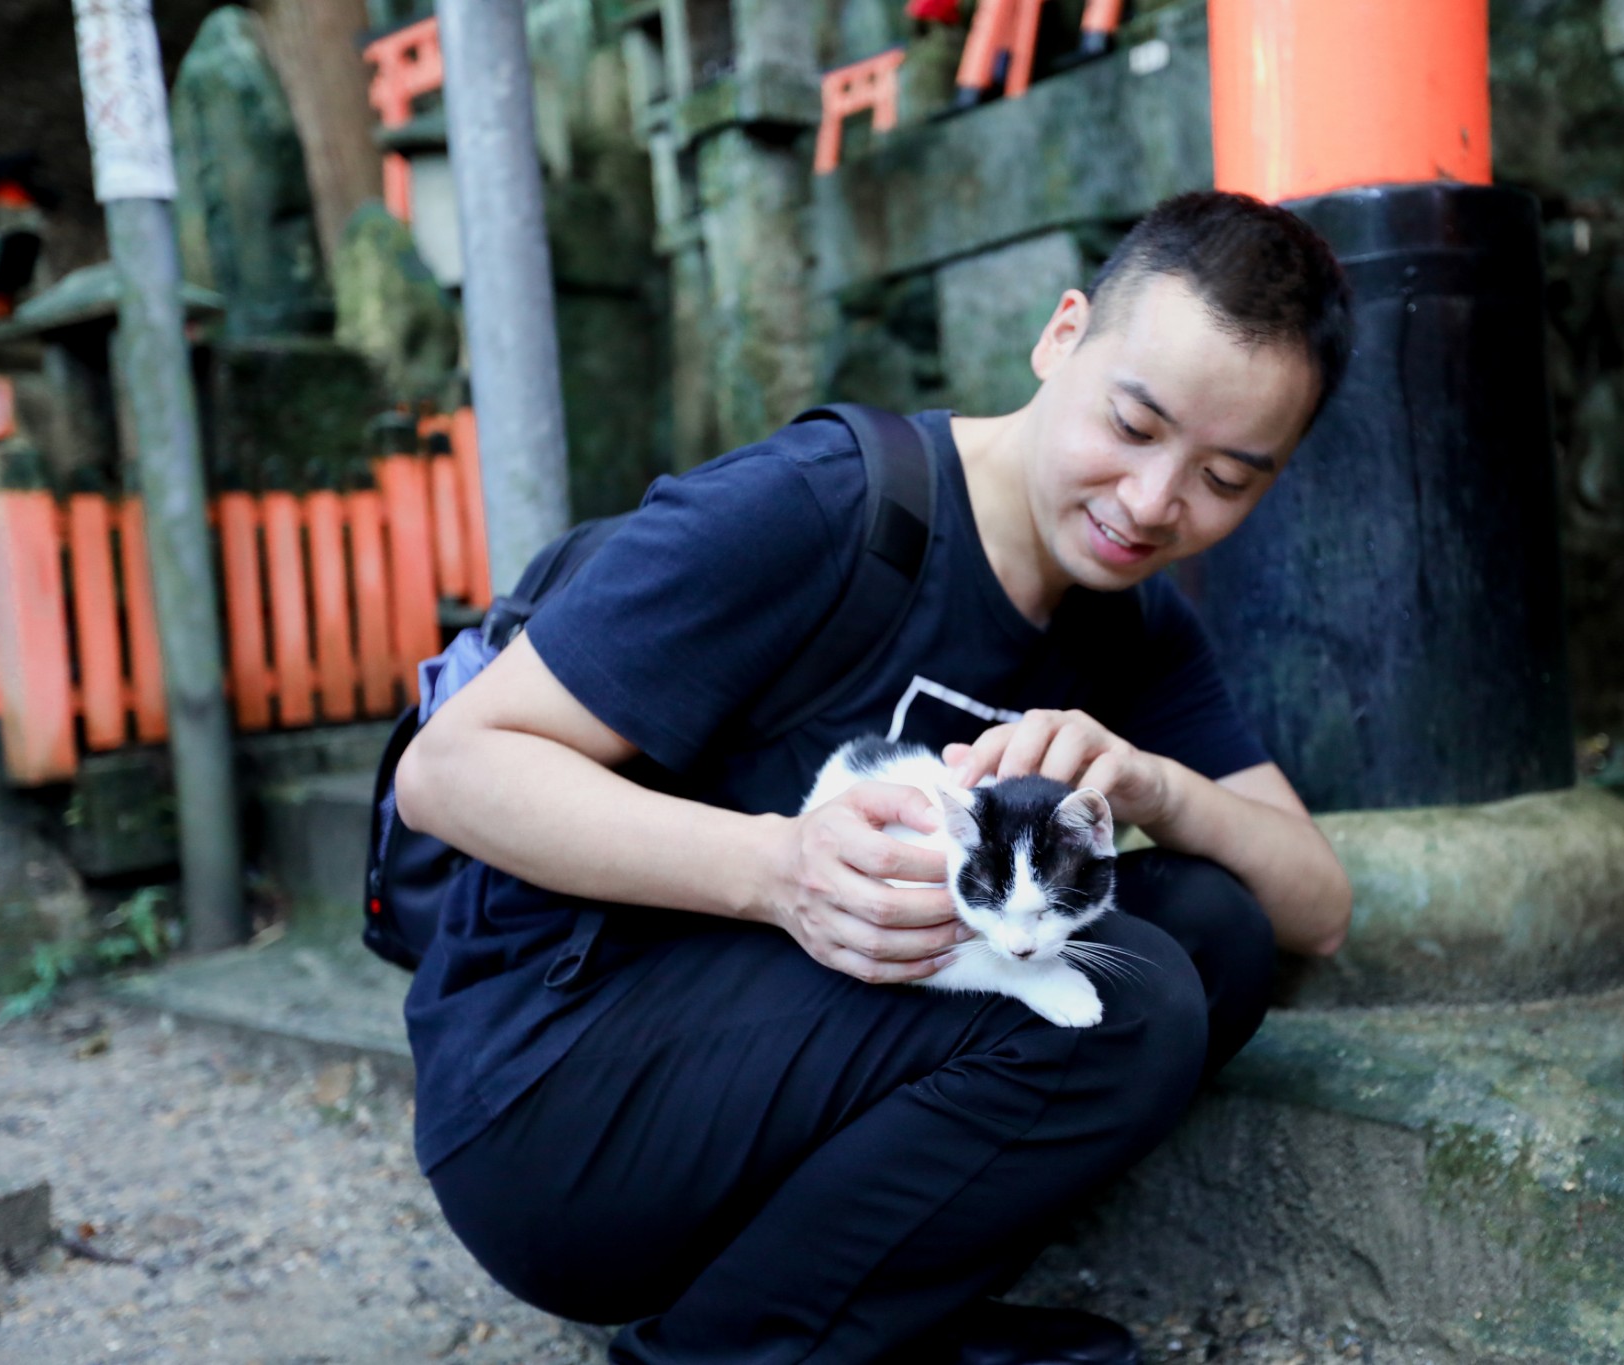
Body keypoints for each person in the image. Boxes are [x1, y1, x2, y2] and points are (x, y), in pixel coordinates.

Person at [393, 189, 1356, 1365]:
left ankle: (853, 1327)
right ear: (1062, 338)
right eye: (1135, 424)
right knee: (1130, 994)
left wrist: (1155, 788)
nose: (1153, 503)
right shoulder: (820, 507)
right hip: (552, 1096)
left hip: (764, 1084)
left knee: (1214, 931)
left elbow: (1318, 905)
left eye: (1226, 478)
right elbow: (450, 771)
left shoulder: (1132, 628)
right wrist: (775, 870)